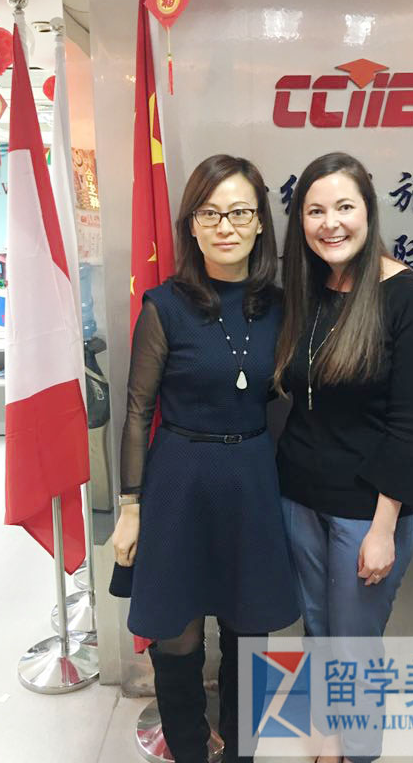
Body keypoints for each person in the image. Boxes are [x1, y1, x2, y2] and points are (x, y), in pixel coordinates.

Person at [112, 154, 300, 763]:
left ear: (260, 222)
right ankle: (190, 749)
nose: (225, 226)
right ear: (191, 225)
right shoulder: (164, 306)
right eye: (210, 213)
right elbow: (138, 410)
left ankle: (243, 751)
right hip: (179, 481)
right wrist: (131, 506)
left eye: (239, 212)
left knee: (249, 634)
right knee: (177, 636)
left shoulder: (281, 306)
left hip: (251, 481)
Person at [274, 152, 413, 763]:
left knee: (354, 645)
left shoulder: (409, 298)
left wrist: (383, 527)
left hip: (366, 510)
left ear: (369, 213)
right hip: (299, 495)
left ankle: (360, 750)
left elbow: (405, 428)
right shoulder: (307, 291)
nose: (331, 223)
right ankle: (329, 740)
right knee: (318, 631)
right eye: (315, 211)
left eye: (344, 207)